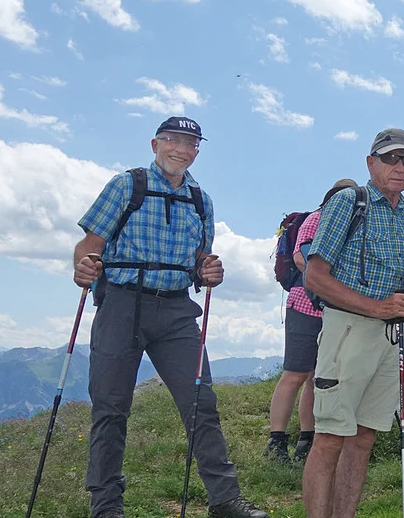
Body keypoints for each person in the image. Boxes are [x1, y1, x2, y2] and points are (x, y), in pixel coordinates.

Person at [72, 116, 267, 518]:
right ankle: (106, 505)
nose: (182, 149)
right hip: (123, 303)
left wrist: (209, 269)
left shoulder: (200, 199)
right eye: (173, 141)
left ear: (198, 150)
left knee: (201, 403)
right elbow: (89, 244)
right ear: (155, 144)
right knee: (110, 407)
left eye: (191, 143)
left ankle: (225, 500)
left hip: (178, 308)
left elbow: (200, 258)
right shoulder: (127, 185)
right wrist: (83, 267)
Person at [301, 128, 404, 518]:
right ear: (370, 162)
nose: (400, 167)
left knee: (362, 438)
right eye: (391, 158)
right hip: (348, 330)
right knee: (329, 438)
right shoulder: (349, 201)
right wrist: (375, 307)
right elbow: (316, 275)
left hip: (389, 336)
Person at [265, 179, 357, 465]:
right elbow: (302, 258)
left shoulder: (346, 224)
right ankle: (277, 441)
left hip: (331, 309)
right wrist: (337, 281)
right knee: (295, 373)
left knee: (316, 377)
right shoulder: (316, 219)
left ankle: (307, 438)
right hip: (306, 305)